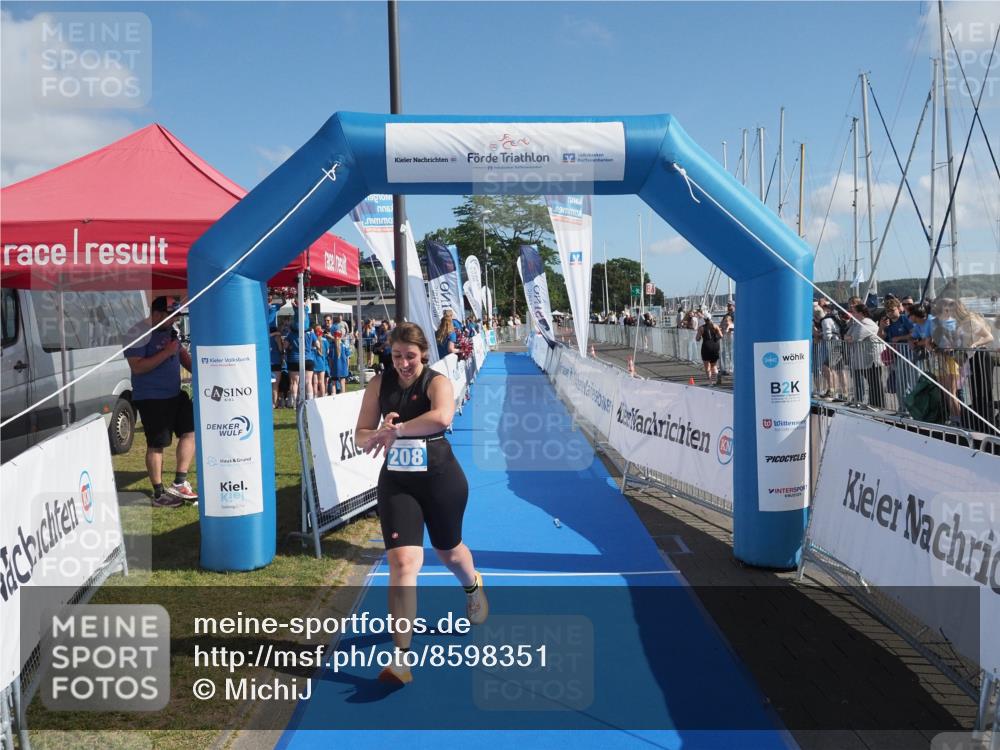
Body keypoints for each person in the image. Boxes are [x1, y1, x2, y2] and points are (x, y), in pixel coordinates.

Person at [355, 322, 487, 684]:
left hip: (441, 480)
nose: (403, 363)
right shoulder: (379, 384)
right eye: (396, 356)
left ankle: (473, 585)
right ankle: (401, 658)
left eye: (410, 356)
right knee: (402, 561)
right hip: (398, 483)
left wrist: (397, 430)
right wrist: (379, 432)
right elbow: (360, 435)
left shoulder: (436, 381)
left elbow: (442, 416)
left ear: (423, 355)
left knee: (450, 554)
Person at [124, 296, 198, 507]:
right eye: (171, 316)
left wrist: (202, 372)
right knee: (157, 444)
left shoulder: (170, 331)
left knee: (190, 430)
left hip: (175, 393)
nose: (174, 320)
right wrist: (166, 353)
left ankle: (179, 483)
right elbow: (137, 367)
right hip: (151, 397)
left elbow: (181, 354)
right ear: (156, 314)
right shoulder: (137, 333)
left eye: (177, 316)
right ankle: (159, 494)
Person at [695, 313, 723, 385]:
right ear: (710, 318)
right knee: (713, 365)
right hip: (715, 346)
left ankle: (710, 382)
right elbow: (721, 335)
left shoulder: (701, 328)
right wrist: (715, 339)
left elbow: (697, 338)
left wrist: (700, 337)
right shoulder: (715, 326)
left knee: (707, 366)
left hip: (706, 346)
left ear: (704, 319)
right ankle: (717, 375)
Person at [330, 330, 351, 394]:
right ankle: (343, 398)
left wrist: (331, 367)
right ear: (341, 336)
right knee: (342, 383)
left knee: (333, 383)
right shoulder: (344, 346)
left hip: (334, 367)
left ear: (334, 336)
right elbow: (348, 358)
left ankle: (333, 398)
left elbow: (330, 359)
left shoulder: (331, 346)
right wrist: (347, 367)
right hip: (343, 367)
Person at [311, 325, 328, 398]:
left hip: (314, 363)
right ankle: (323, 396)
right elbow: (327, 352)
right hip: (322, 363)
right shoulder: (325, 340)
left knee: (315, 382)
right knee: (321, 382)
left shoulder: (313, 340)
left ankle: (315, 397)